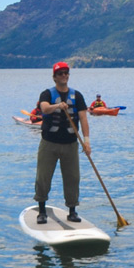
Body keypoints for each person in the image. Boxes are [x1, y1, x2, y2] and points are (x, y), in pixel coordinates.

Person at [33, 61, 91, 224]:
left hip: (71, 144)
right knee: (43, 177)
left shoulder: (77, 96)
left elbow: (83, 119)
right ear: (54, 77)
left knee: (73, 177)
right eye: (60, 73)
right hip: (49, 143)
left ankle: (72, 211)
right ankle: (42, 211)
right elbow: (44, 109)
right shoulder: (46, 94)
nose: (64, 75)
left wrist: (86, 141)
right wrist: (58, 105)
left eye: (66, 72)